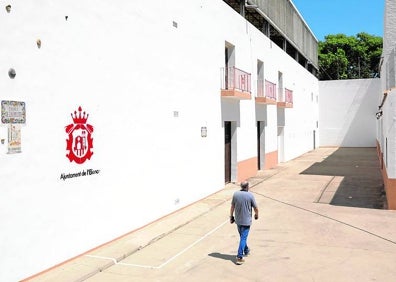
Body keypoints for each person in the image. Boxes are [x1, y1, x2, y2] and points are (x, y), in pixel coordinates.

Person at [230, 180, 259, 265]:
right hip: (246, 221)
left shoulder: (235, 194)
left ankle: (246, 250)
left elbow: (232, 207)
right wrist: (256, 215)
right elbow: (256, 208)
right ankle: (239, 257)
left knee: (242, 237)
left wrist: (231, 217)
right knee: (243, 238)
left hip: (238, 220)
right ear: (247, 186)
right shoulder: (250, 195)